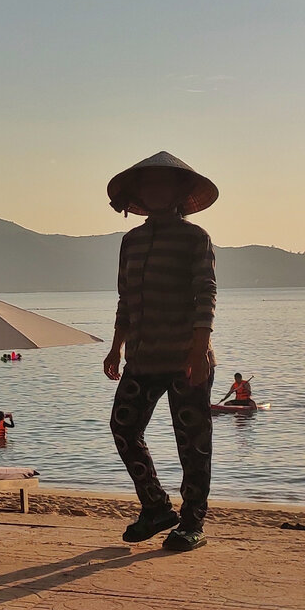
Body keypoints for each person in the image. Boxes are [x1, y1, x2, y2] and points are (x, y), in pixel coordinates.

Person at [104, 152, 218, 553]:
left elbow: (205, 291)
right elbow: (125, 298)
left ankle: (192, 523)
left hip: (186, 358)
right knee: (123, 427)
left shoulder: (195, 238)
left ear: (178, 192)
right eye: (148, 185)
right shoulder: (130, 242)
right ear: (139, 193)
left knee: (192, 441)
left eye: (163, 184)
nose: (155, 191)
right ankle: (155, 507)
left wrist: (199, 348)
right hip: (142, 357)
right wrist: (116, 347)